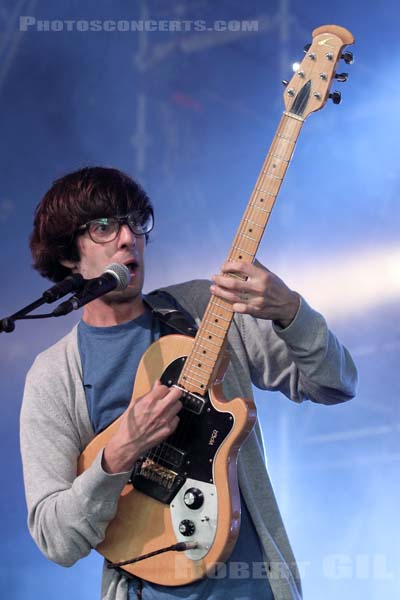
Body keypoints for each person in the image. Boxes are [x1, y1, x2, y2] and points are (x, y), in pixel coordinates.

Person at [20, 166, 357, 600]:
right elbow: (55, 539)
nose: (127, 238)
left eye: (135, 223)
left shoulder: (205, 309)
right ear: (69, 254)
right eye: (104, 227)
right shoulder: (54, 375)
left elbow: (336, 383)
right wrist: (120, 451)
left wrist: (291, 311)